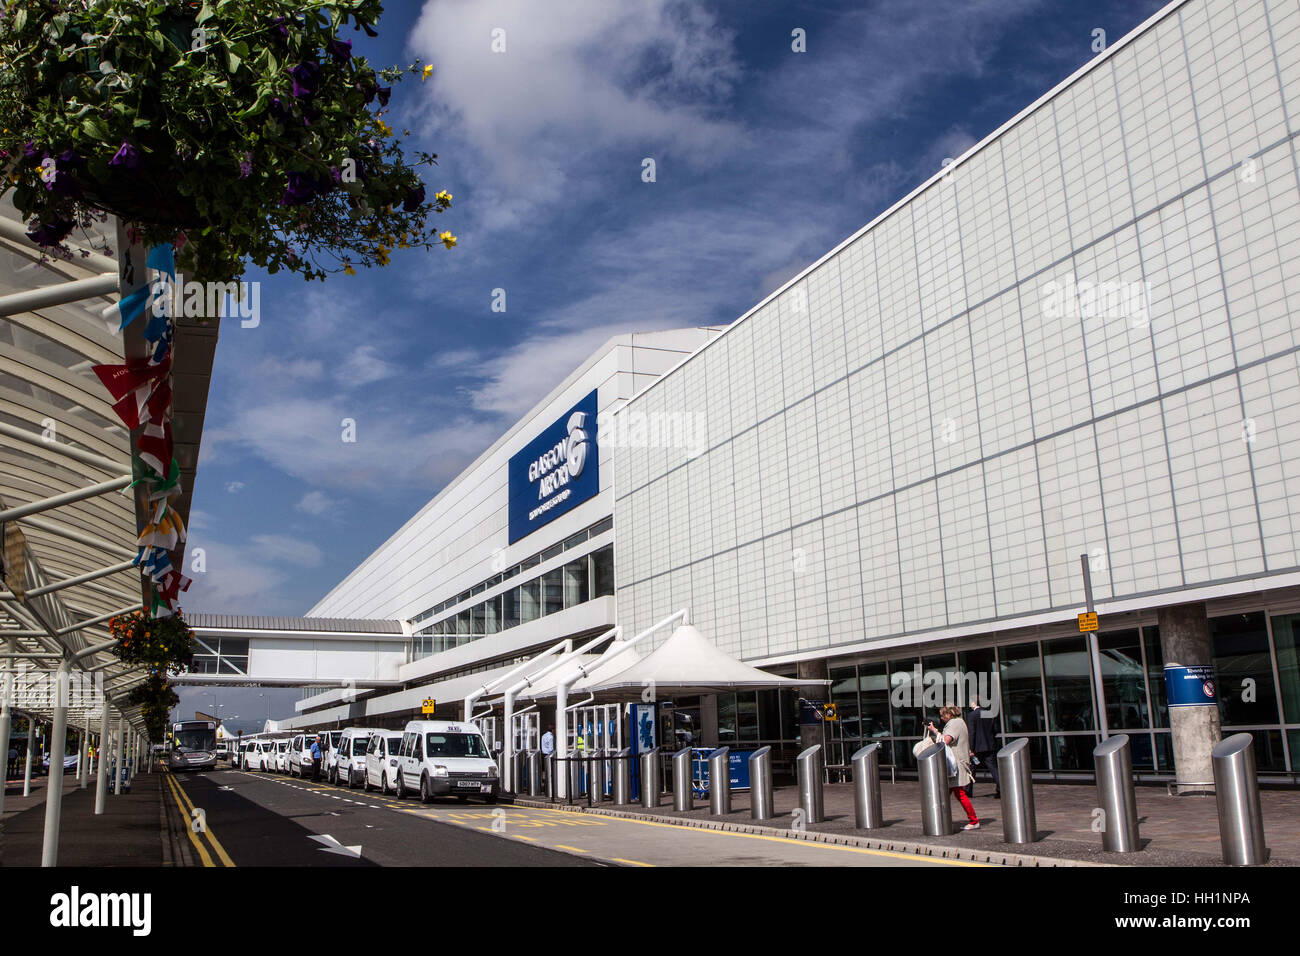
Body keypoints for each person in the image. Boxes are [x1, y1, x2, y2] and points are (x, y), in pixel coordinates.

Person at [929, 706, 979, 830]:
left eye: (942, 715)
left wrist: (934, 731)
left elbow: (945, 740)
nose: (941, 718)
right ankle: (942, 820)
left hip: (955, 765)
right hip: (957, 763)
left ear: (949, 714)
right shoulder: (960, 722)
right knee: (949, 793)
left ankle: (973, 820)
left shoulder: (954, 724)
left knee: (957, 793)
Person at [968, 697, 1000, 799]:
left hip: (977, 748)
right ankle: (1001, 789)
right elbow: (995, 729)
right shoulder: (989, 713)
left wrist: (971, 748)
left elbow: (972, 733)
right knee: (993, 769)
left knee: (971, 769)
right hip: (989, 746)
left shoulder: (972, 715)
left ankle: (968, 791)